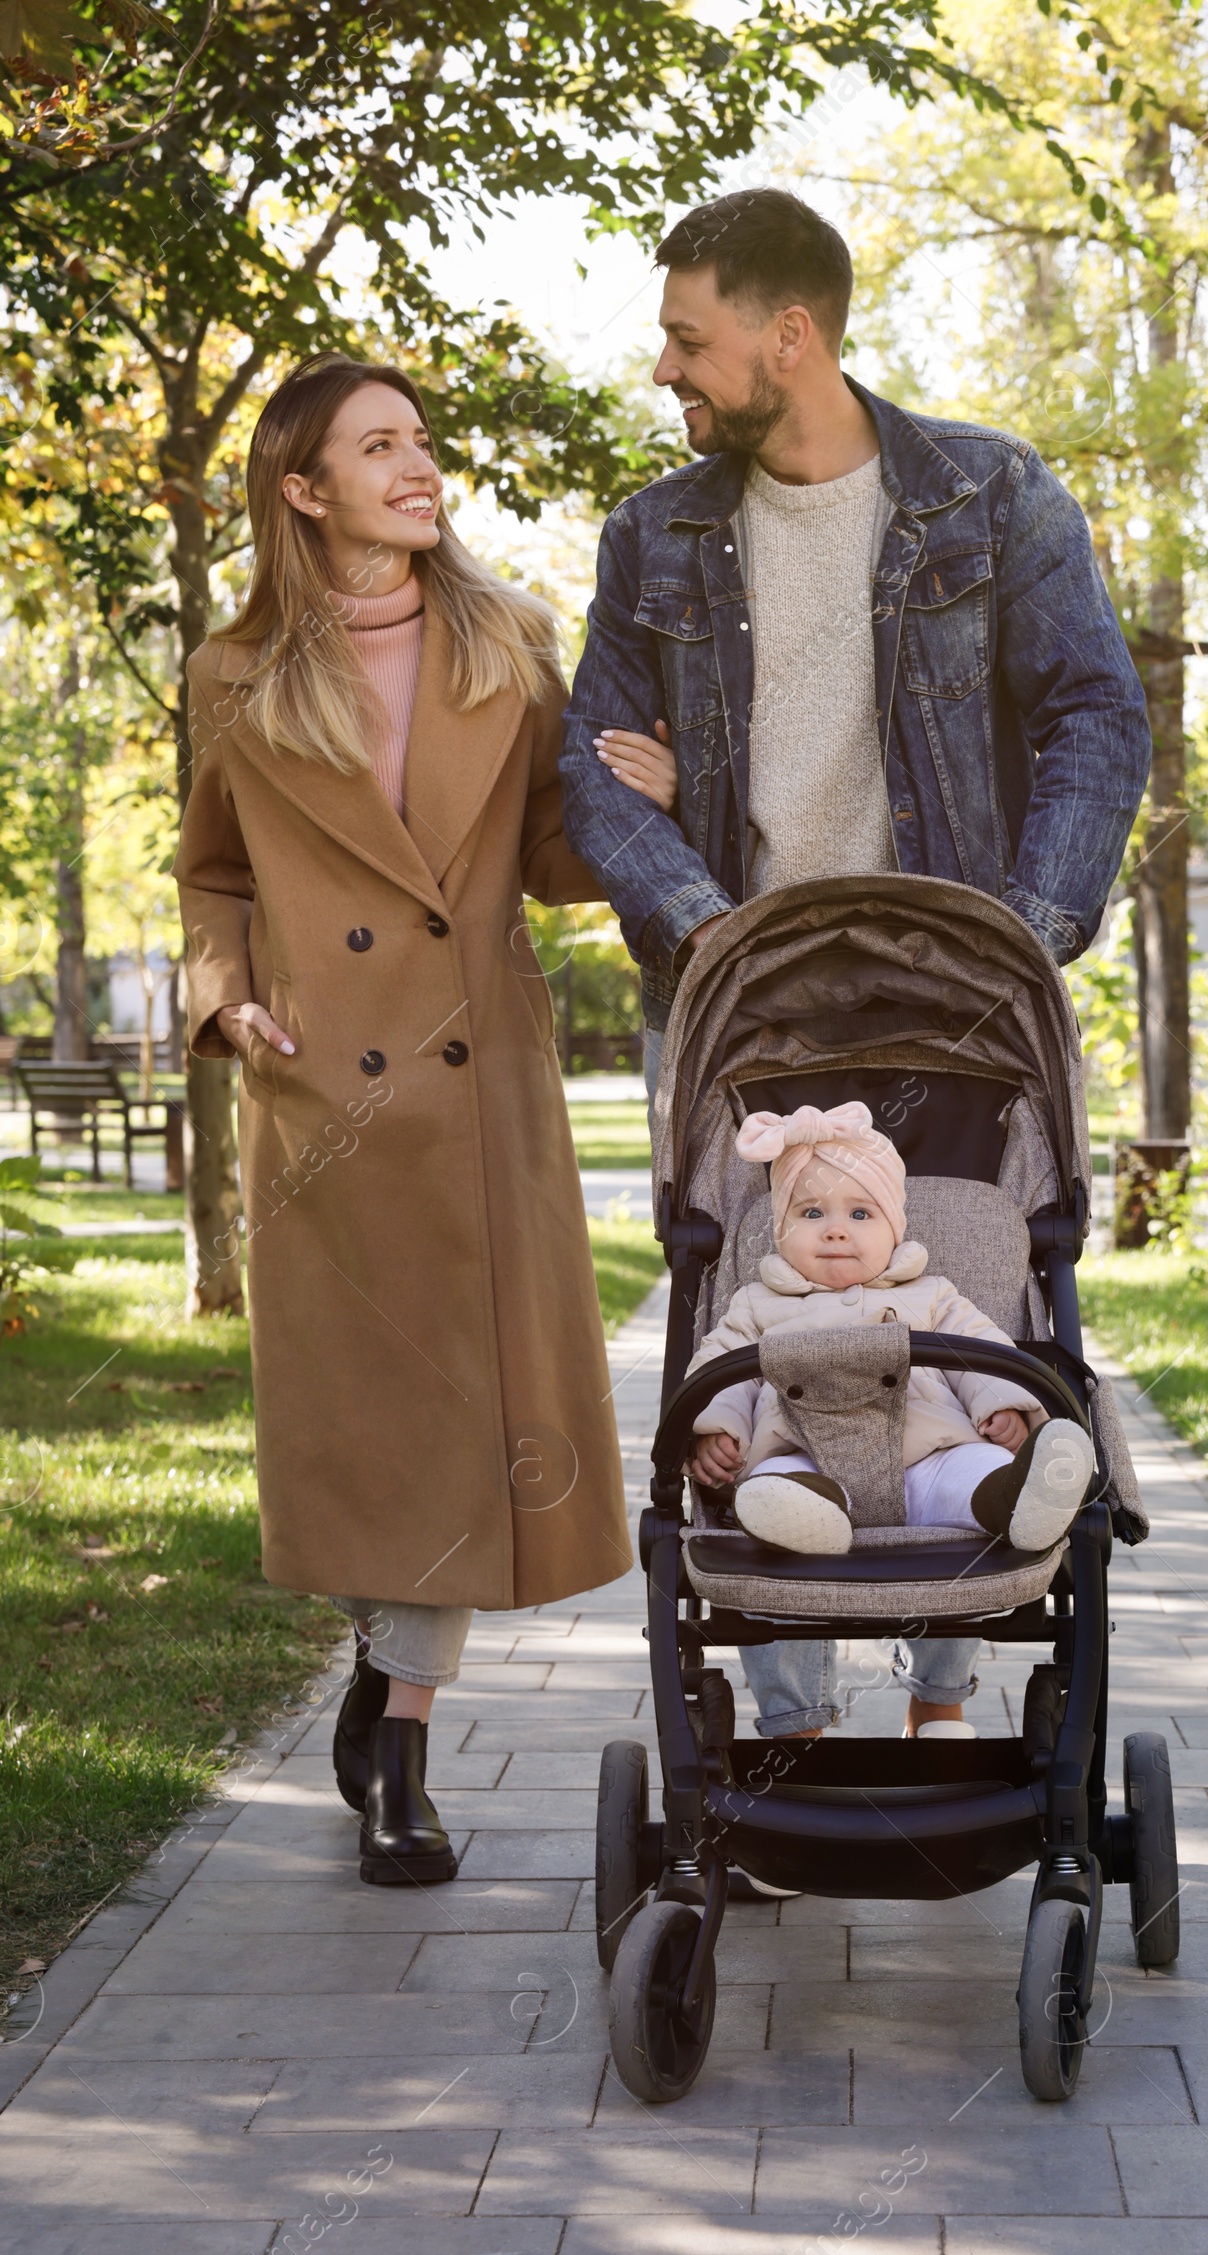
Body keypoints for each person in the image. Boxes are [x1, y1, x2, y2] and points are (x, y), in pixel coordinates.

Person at [176, 353, 629, 1887]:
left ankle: (403, 1764)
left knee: (461, 1428)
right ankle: (382, 1684)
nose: (419, 465)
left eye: (421, 440)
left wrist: (636, 795)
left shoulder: (512, 643)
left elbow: (558, 857)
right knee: (383, 1437)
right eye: (381, 446)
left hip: (476, 1088)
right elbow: (214, 872)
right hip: (324, 1100)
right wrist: (225, 995)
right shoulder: (234, 671)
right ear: (306, 491)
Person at [560, 184, 1152, 1097]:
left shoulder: (992, 495)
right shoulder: (650, 535)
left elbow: (1098, 719)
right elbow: (595, 772)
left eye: (690, 341)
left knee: (971, 1242)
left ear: (789, 337)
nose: (663, 370)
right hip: (734, 1023)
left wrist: (1018, 943)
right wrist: (713, 939)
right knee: (733, 1247)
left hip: (958, 1017)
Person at [687, 1103, 1095, 1740]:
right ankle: (797, 1722)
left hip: (926, 1463)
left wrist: (1006, 1405)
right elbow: (721, 1367)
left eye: (860, 1213)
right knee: (771, 1501)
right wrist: (715, 1430)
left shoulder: (931, 1295)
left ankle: (1012, 1505)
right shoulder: (757, 1304)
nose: (835, 1231)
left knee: (978, 1472)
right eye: (810, 1213)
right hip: (809, 1463)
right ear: (778, 1231)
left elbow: (982, 1348)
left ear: (894, 1228)